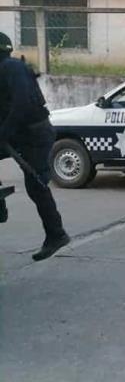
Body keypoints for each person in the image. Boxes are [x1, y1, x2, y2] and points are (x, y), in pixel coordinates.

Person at [0, 32, 70, 261]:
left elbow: (22, 103)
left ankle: (56, 235)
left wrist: (3, 132)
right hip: (19, 133)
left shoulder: (11, 68)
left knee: (36, 184)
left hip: (35, 134)